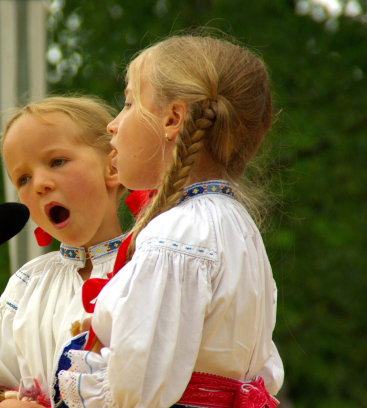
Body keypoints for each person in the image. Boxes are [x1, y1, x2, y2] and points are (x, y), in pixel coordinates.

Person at [54, 33, 284, 408]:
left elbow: (136, 388)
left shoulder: (176, 235)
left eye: (128, 103)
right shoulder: (239, 227)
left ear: (173, 118)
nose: (112, 125)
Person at [0, 96, 128, 408]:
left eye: (56, 162)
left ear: (113, 165)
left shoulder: (152, 263)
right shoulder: (25, 287)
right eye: (23, 178)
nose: (39, 184)